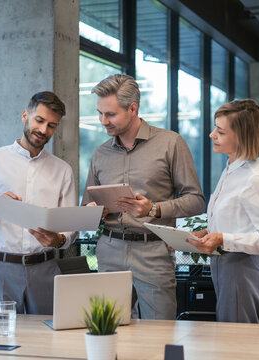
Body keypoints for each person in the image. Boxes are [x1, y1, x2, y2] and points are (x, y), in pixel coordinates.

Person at [82, 74, 205, 320]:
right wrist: (94, 211)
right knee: (109, 333)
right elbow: (86, 205)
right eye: (100, 113)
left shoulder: (170, 143)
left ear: (133, 108)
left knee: (159, 335)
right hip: (109, 250)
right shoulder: (99, 154)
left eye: (110, 114)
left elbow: (197, 200)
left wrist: (155, 209)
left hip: (153, 252)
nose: (102, 121)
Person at [0, 91, 77, 315]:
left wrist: (59, 239)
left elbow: (70, 226)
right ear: (25, 115)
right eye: (40, 120)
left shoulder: (63, 170)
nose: (44, 130)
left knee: (48, 344)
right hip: (1, 269)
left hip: (45, 269)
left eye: (52, 125)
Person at [187, 99, 259, 323]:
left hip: (239, 270)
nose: (212, 135)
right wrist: (208, 232)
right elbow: (236, 221)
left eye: (220, 131)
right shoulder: (232, 168)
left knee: (238, 346)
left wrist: (222, 238)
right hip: (222, 266)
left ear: (241, 137)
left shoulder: (253, 178)